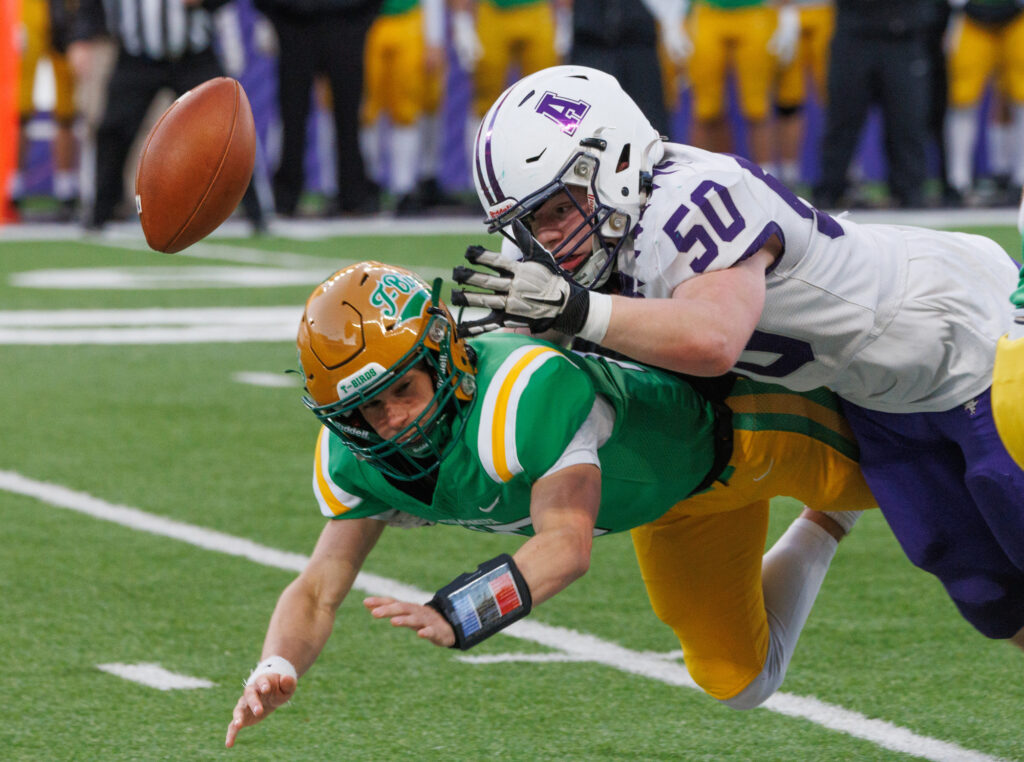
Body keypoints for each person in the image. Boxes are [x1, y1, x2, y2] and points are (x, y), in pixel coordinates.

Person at [451, 65, 1024, 647]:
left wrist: (577, 311)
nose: (546, 239)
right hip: (874, 393)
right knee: (986, 590)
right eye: (530, 223)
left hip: (968, 336)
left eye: (558, 210)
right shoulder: (576, 240)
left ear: (618, 162)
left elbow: (713, 338)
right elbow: (518, 370)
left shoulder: (694, 198)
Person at [224, 260, 874, 747]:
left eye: (405, 390)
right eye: (368, 408)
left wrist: (463, 614)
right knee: (739, 679)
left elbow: (566, 546)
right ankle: (828, 519)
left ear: (443, 354)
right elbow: (316, 590)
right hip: (671, 506)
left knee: (913, 482)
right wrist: (276, 666)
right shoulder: (359, 461)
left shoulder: (522, 393)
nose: (392, 420)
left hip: (749, 434)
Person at [68, 0, 266, 232]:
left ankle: (256, 211)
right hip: (137, 55)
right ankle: (99, 212)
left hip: (193, 53)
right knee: (114, 129)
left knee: (226, 128)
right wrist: (83, 35)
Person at [253, 0, 381, 217]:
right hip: (295, 23)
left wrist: (361, 20)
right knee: (292, 114)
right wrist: (275, 17)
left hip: (345, 22)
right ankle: (286, 196)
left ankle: (354, 195)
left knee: (349, 115)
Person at [812, 0, 934, 209]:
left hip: (904, 36)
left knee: (906, 121)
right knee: (842, 119)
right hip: (855, 34)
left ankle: (910, 191)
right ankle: (830, 190)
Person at [684, 0, 798, 164]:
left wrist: (787, 12)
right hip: (707, 11)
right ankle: (707, 175)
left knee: (757, 108)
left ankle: (764, 179)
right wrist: (674, 19)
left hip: (756, 10)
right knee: (705, 110)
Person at [359, 0, 444, 215]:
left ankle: (403, 186)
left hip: (408, 21)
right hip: (363, 20)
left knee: (406, 111)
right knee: (366, 110)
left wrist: (434, 38)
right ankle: (368, 182)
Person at [944, 0, 1024, 206]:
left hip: (1018, 18)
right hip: (970, 18)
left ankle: (1019, 179)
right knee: (962, 102)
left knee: (1021, 101)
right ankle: (958, 181)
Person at [11, 0, 79, 221]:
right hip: (26, 8)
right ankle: (13, 185)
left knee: (67, 107)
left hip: (66, 8)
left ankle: (66, 187)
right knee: (18, 105)